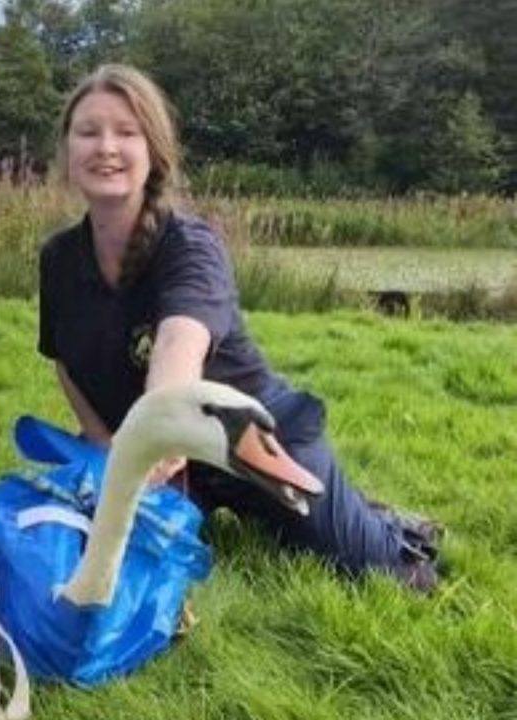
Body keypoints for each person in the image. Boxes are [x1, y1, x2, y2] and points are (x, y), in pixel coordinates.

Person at [38, 64, 440, 592]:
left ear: (154, 151)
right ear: (68, 152)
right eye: (88, 132)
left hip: (245, 440)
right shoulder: (58, 257)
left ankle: (390, 526)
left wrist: (155, 435)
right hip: (154, 454)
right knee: (99, 561)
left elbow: (178, 356)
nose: (105, 147)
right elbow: (64, 361)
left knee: (377, 572)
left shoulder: (190, 246)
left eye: (126, 132)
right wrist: (106, 446)